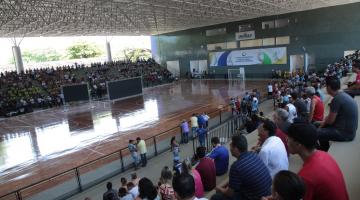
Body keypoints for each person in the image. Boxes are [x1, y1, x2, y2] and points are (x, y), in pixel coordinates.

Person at [287, 123, 349, 200]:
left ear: (298, 144)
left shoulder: (305, 177)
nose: (287, 143)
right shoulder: (324, 155)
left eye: (288, 139)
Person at [215, 134, 272, 200]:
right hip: (267, 192)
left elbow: (229, 193)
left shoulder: (236, 166)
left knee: (216, 197)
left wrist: (218, 188)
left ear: (236, 149)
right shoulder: (253, 155)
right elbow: (236, 178)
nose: (229, 146)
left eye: (231, 144)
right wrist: (225, 184)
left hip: (257, 197)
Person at [318, 77, 358, 151]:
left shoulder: (337, 99)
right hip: (349, 131)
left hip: (345, 134)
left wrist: (322, 124)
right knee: (318, 124)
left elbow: (330, 121)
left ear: (329, 87)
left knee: (316, 132)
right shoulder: (343, 95)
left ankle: (323, 151)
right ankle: (324, 148)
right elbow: (330, 118)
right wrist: (324, 121)